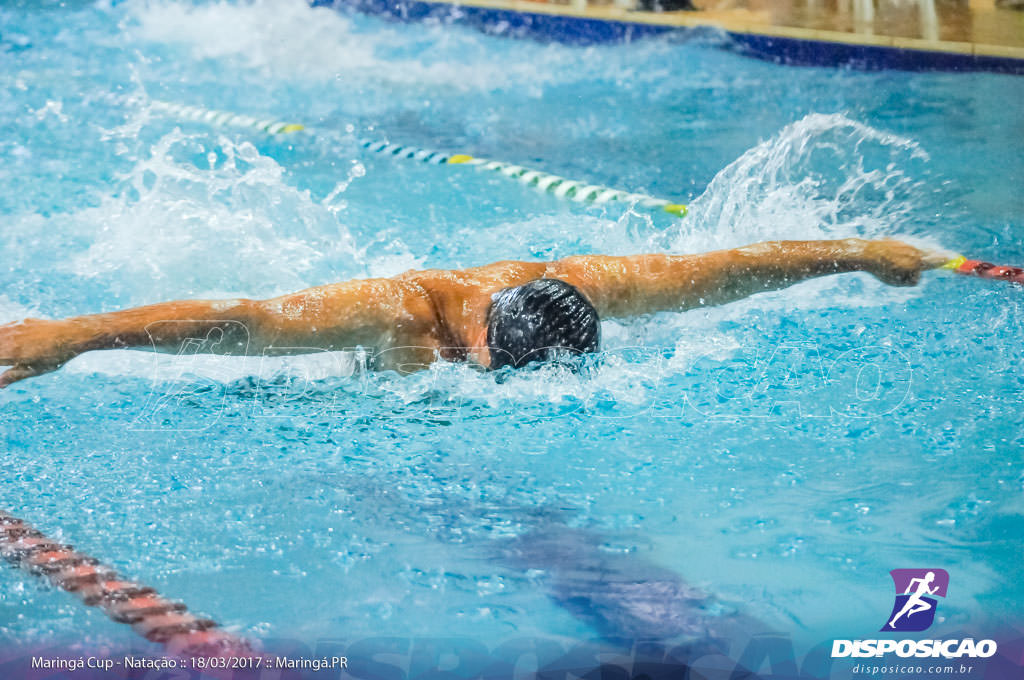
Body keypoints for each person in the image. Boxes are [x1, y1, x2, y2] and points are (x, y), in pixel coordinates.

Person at [0, 238, 935, 386]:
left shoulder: (578, 284)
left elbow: (724, 269)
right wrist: (71, 338)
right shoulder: (391, 311)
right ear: (481, 340)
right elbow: (239, 319)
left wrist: (858, 253)